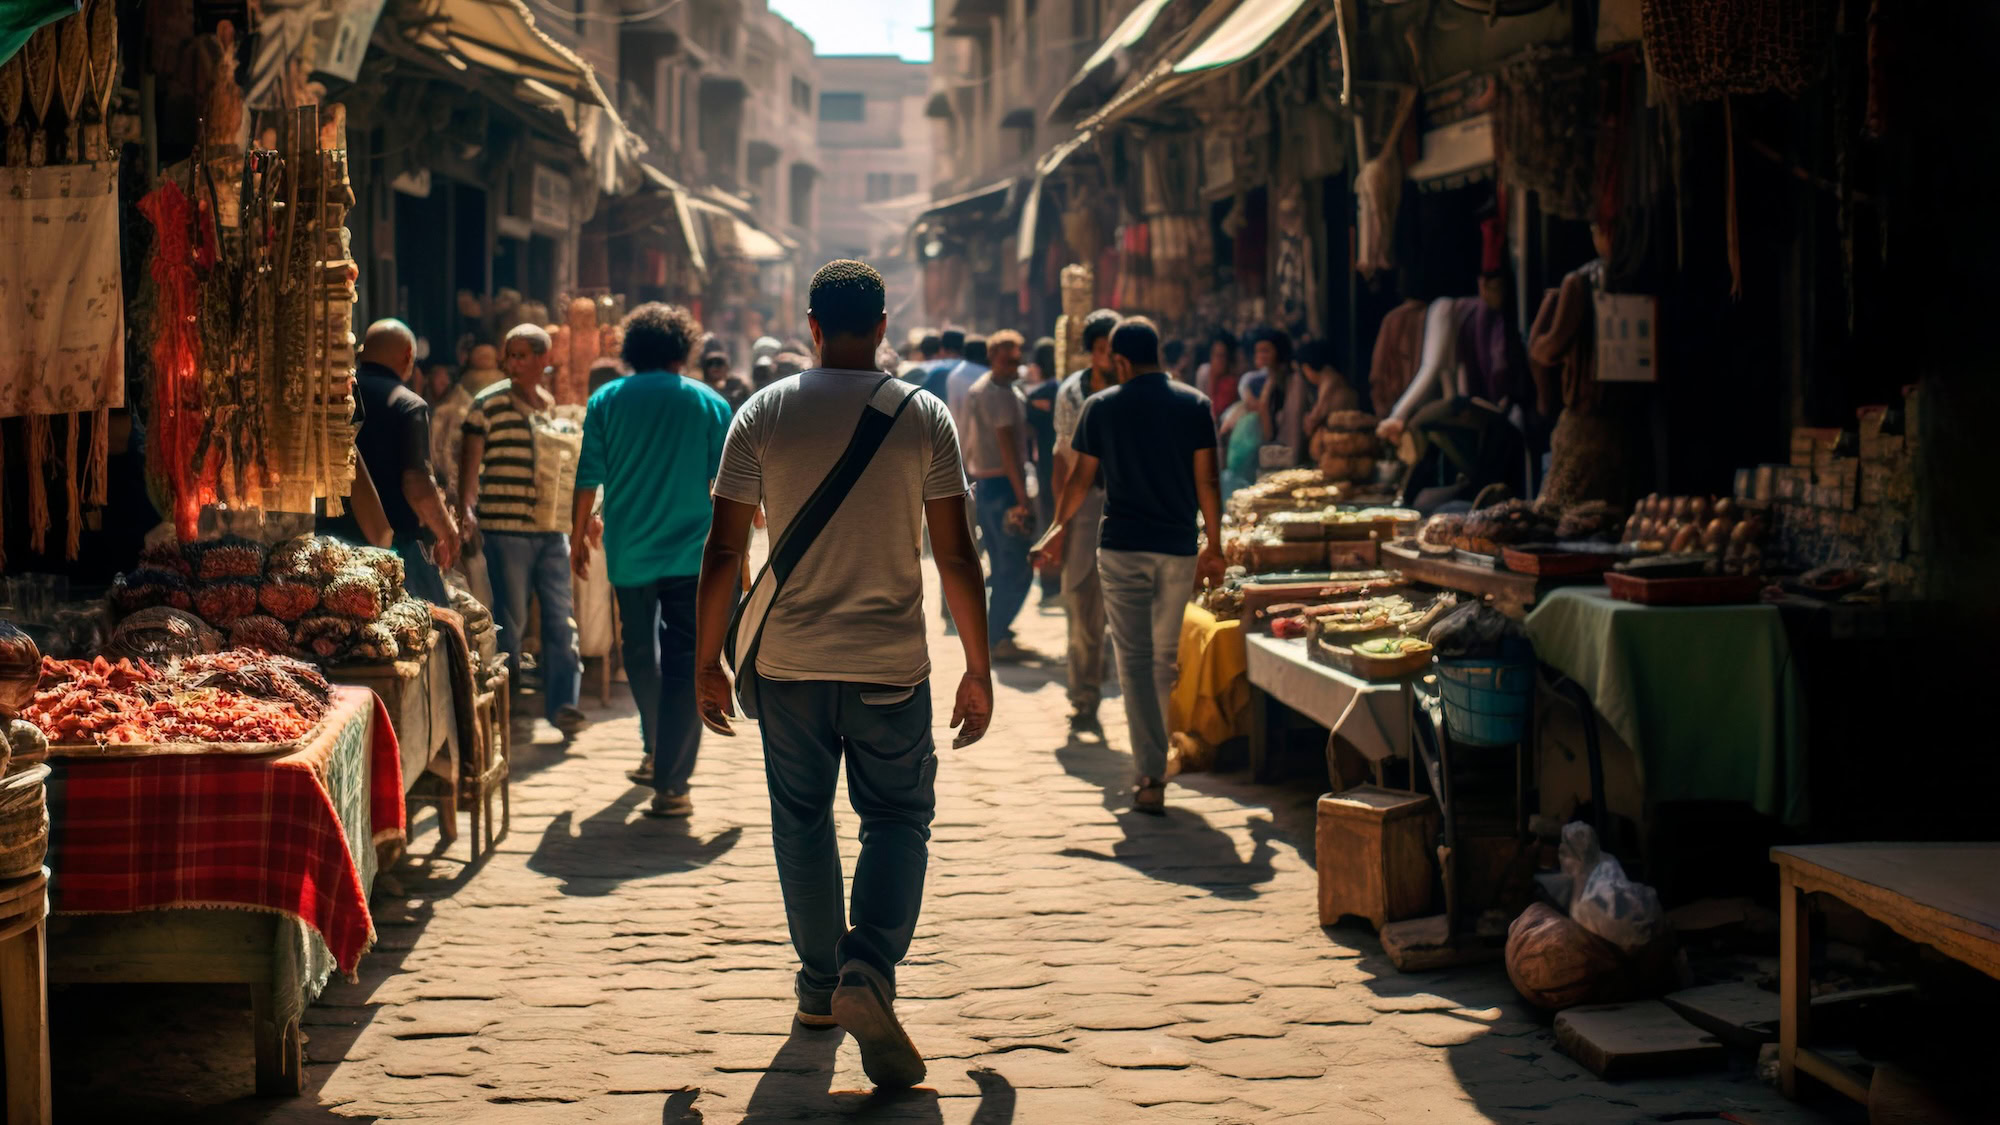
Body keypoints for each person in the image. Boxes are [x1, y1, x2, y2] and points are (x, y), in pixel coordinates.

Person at [694, 259, 992, 1090]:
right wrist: (979, 664)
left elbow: (723, 548)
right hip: (891, 667)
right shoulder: (924, 416)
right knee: (897, 817)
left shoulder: (762, 411)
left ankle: (822, 990)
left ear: (812, 325)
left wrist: (706, 661)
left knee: (801, 820)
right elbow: (957, 552)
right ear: (885, 325)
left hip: (786, 665)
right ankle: (870, 965)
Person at [1037, 317, 1223, 813]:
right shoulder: (1195, 404)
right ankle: (1152, 762)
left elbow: (1079, 481)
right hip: (1178, 548)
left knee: (1137, 663)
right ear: (1157, 354)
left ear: (1119, 360)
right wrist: (1216, 544)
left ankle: (1149, 773)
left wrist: (1057, 529)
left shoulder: (1100, 407)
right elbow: (1208, 482)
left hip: (1121, 547)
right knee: (1160, 662)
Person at [572, 303, 731, 817]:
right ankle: (673, 783)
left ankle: (653, 743)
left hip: (630, 552)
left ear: (631, 348)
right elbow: (727, 487)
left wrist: (578, 535)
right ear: (684, 348)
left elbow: (588, 475)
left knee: (638, 652)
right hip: (692, 553)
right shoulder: (709, 403)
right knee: (686, 660)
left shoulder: (607, 399)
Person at [461, 324, 588, 737]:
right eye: (509, 355)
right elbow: (469, 468)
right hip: (505, 530)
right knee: (509, 623)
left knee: (560, 620)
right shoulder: (486, 405)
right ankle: (508, 706)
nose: (513, 363)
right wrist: (467, 513)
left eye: (521, 355)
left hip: (551, 531)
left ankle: (564, 704)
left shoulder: (549, 407)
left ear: (541, 359)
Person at [324, 319, 459, 603]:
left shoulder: (335, 395)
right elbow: (416, 482)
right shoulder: (409, 404)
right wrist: (446, 530)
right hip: (393, 548)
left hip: (330, 542)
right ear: (408, 355)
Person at [1049, 309, 1121, 729]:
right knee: (1080, 601)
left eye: (1114, 350)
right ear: (1091, 352)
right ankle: (1084, 693)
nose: (1108, 358)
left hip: (1127, 506)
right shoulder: (1072, 394)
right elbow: (1062, 460)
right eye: (1100, 349)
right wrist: (1061, 524)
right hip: (1084, 505)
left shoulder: (1134, 391)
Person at [962, 330, 1036, 662]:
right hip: (1002, 487)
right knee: (1016, 567)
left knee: (1003, 563)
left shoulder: (986, 390)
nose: (1014, 367)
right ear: (993, 357)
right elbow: (1007, 447)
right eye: (1008, 361)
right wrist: (1022, 498)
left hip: (987, 485)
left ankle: (997, 631)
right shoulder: (999, 394)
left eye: (1017, 361)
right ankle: (993, 634)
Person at [1024, 337, 1060, 598]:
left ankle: (1050, 584)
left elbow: (1026, 436)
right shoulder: (1071, 390)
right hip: (1076, 468)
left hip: (1047, 467)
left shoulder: (1035, 397)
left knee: (1049, 524)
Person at [1195, 330, 1242, 421]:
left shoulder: (1232, 380)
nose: (1218, 360)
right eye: (1216, 355)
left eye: (1222, 356)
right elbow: (1201, 404)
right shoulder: (1204, 372)